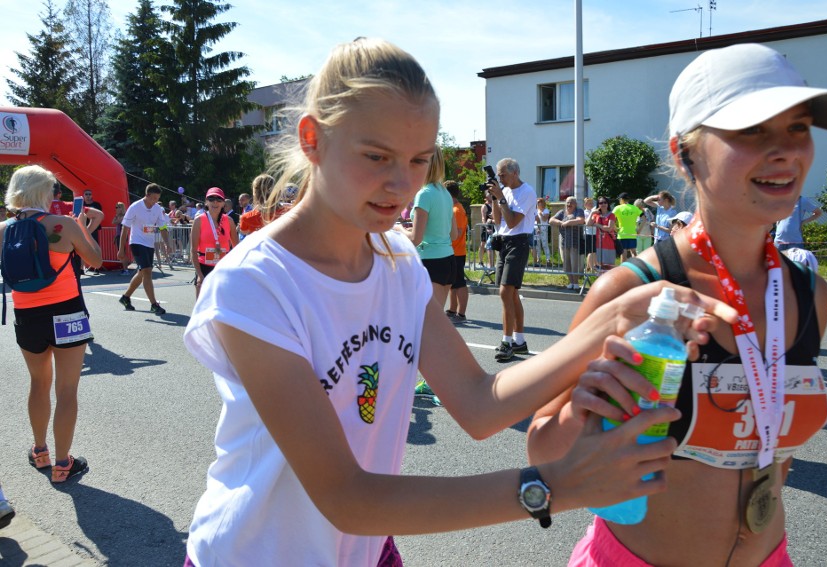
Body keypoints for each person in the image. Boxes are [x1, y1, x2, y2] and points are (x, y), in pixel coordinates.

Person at [181, 37, 737, 567]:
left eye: (420, 160)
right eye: (376, 156)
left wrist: (610, 324)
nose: (400, 184)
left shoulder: (397, 264)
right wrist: (554, 487)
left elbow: (478, 403)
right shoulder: (255, 284)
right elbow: (346, 496)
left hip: (368, 553)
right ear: (312, 139)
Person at [527, 42, 827, 567]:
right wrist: (584, 410)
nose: (787, 150)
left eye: (798, 127)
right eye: (752, 130)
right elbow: (542, 451)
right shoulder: (634, 291)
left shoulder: (808, 292)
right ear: (685, 153)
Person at [2, 165, 103, 483]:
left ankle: (40, 451)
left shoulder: (4, 229)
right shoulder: (64, 225)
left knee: (38, 384)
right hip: (68, 313)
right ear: (44, 193)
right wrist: (82, 227)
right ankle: (63, 464)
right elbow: (96, 260)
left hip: (27, 314)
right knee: (67, 389)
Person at [484, 158, 536, 361]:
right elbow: (498, 220)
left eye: (502, 174)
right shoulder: (504, 191)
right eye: (497, 175)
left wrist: (501, 198)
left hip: (519, 241)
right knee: (511, 294)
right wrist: (495, 199)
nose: (499, 178)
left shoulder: (527, 192)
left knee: (505, 291)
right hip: (504, 242)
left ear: (514, 172)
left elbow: (513, 222)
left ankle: (506, 342)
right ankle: (519, 341)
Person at [397, 145, 456, 307]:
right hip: (448, 260)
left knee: (426, 324)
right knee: (436, 322)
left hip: (431, 261)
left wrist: (398, 230)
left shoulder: (424, 194)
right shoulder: (444, 192)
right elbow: (453, 234)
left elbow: (415, 239)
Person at [117, 183, 170, 315]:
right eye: (153, 198)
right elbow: (125, 228)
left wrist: (167, 243)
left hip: (149, 244)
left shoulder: (157, 208)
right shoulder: (135, 207)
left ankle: (125, 297)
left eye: (157, 199)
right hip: (136, 242)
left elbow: (163, 227)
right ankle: (154, 304)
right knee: (147, 271)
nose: (155, 202)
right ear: (147, 195)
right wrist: (121, 249)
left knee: (142, 272)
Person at [191, 187, 238, 297]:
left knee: (221, 304)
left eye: (219, 199)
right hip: (204, 266)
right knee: (202, 306)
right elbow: (193, 250)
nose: (215, 202)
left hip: (223, 267)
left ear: (223, 204)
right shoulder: (199, 220)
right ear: (206, 202)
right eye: (211, 199)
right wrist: (199, 274)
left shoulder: (229, 221)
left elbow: (236, 248)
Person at [444, 180, 469, 322]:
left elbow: (457, 233)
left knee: (459, 283)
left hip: (457, 252)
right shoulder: (453, 208)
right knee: (453, 283)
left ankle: (461, 314)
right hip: (453, 251)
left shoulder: (456, 210)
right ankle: (452, 309)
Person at [550, 196, 585, 291]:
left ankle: (576, 283)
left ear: (575, 204)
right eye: (568, 202)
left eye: (571, 202)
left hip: (575, 242)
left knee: (574, 264)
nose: (569, 204)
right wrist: (561, 222)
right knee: (566, 264)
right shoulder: (562, 212)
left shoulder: (579, 211)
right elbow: (551, 220)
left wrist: (568, 222)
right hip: (564, 242)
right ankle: (571, 282)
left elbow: (580, 220)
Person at [586, 195, 617, 270]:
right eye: (600, 203)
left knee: (609, 267)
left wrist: (597, 225)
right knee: (600, 266)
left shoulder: (611, 215)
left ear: (608, 204)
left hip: (609, 244)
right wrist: (592, 213)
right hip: (599, 244)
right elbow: (588, 224)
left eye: (605, 202)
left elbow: (609, 228)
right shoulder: (596, 215)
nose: (603, 204)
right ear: (598, 204)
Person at [612, 192, 643, 262]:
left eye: (619, 200)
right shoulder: (634, 208)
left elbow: (611, 219)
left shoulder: (617, 208)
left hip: (622, 234)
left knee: (623, 253)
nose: (619, 201)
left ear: (622, 199)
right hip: (632, 233)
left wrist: (615, 228)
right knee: (634, 252)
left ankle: (623, 270)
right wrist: (639, 230)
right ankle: (636, 269)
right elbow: (644, 218)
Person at [81, 189, 103, 274]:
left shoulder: (96, 205)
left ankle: (96, 267)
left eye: (89, 194)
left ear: (92, 195)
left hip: (93, 229)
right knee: (82, 248)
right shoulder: (81, 205)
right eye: (86, 194)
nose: (88, 195)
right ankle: (82, 268)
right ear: (84, 195)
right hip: (82, 228)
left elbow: (99, 216)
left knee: (94, 247)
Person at [112, 201, 131, 275]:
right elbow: (113, 222)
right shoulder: (118, 216)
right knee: (121, 253)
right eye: (116, 207)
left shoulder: (124, 216)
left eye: (118, 207)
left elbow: (118, 222)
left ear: (122, 208)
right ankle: (125, 268)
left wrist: (117, 217)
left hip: (122, 236)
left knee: (122, 252)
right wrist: (117, 216)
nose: (117, 208)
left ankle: (126, 269)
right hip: (118, 236)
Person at [532, 197, 552, 267]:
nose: (537, 204)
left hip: (543, 229)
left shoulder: (546, 210)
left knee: (544, 244)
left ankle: (548, 259)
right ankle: (538, 259)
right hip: (537, 229)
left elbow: (544, 218)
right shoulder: (535, 210)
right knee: (537, 245)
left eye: (539, 202)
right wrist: (536, 228)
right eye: (537, 202)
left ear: (542, 203)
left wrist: (540, 213)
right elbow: (534, 220)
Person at [479, 192, 495, 269]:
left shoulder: (494, 204)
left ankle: (492, 263)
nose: (491, 195)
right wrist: (486, 228)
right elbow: (483, 218)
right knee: (483, 243)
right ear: (486, 196)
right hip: (486, 227)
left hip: (493, 226)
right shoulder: (484, 206)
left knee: (493, 244)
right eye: (489, 194)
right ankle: (481, 261)